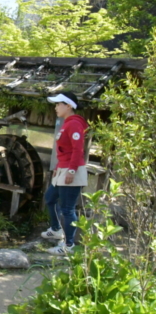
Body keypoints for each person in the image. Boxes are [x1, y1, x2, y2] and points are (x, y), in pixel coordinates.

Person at [42, 92, 88, 255]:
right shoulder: (67, 122)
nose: (55, 107)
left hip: (71, 170)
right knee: (50, 198)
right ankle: (56, 229)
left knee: (67, 209)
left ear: (68, 106)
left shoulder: (74, 124)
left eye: (58, 104)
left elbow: (77, 150)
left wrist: (71, 170)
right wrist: (58, 167)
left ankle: (69, 246)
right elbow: (64, 150)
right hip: (63, 169)